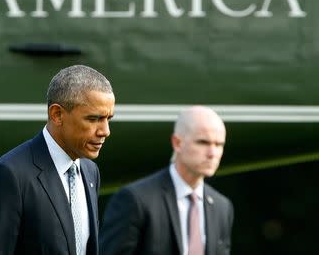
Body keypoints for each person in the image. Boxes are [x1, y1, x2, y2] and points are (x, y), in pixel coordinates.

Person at [0, 65, 115, 255]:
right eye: (94, 119)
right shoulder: (7, 176)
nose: (105, 131)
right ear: (57, 114)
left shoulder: (90, 171)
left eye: (108, 119)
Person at [100, 106, 234, 255]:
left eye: (219, 145)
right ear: (177, 143)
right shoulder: (135, 200)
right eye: (203, 142)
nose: (212, 153)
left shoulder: (222, 207)